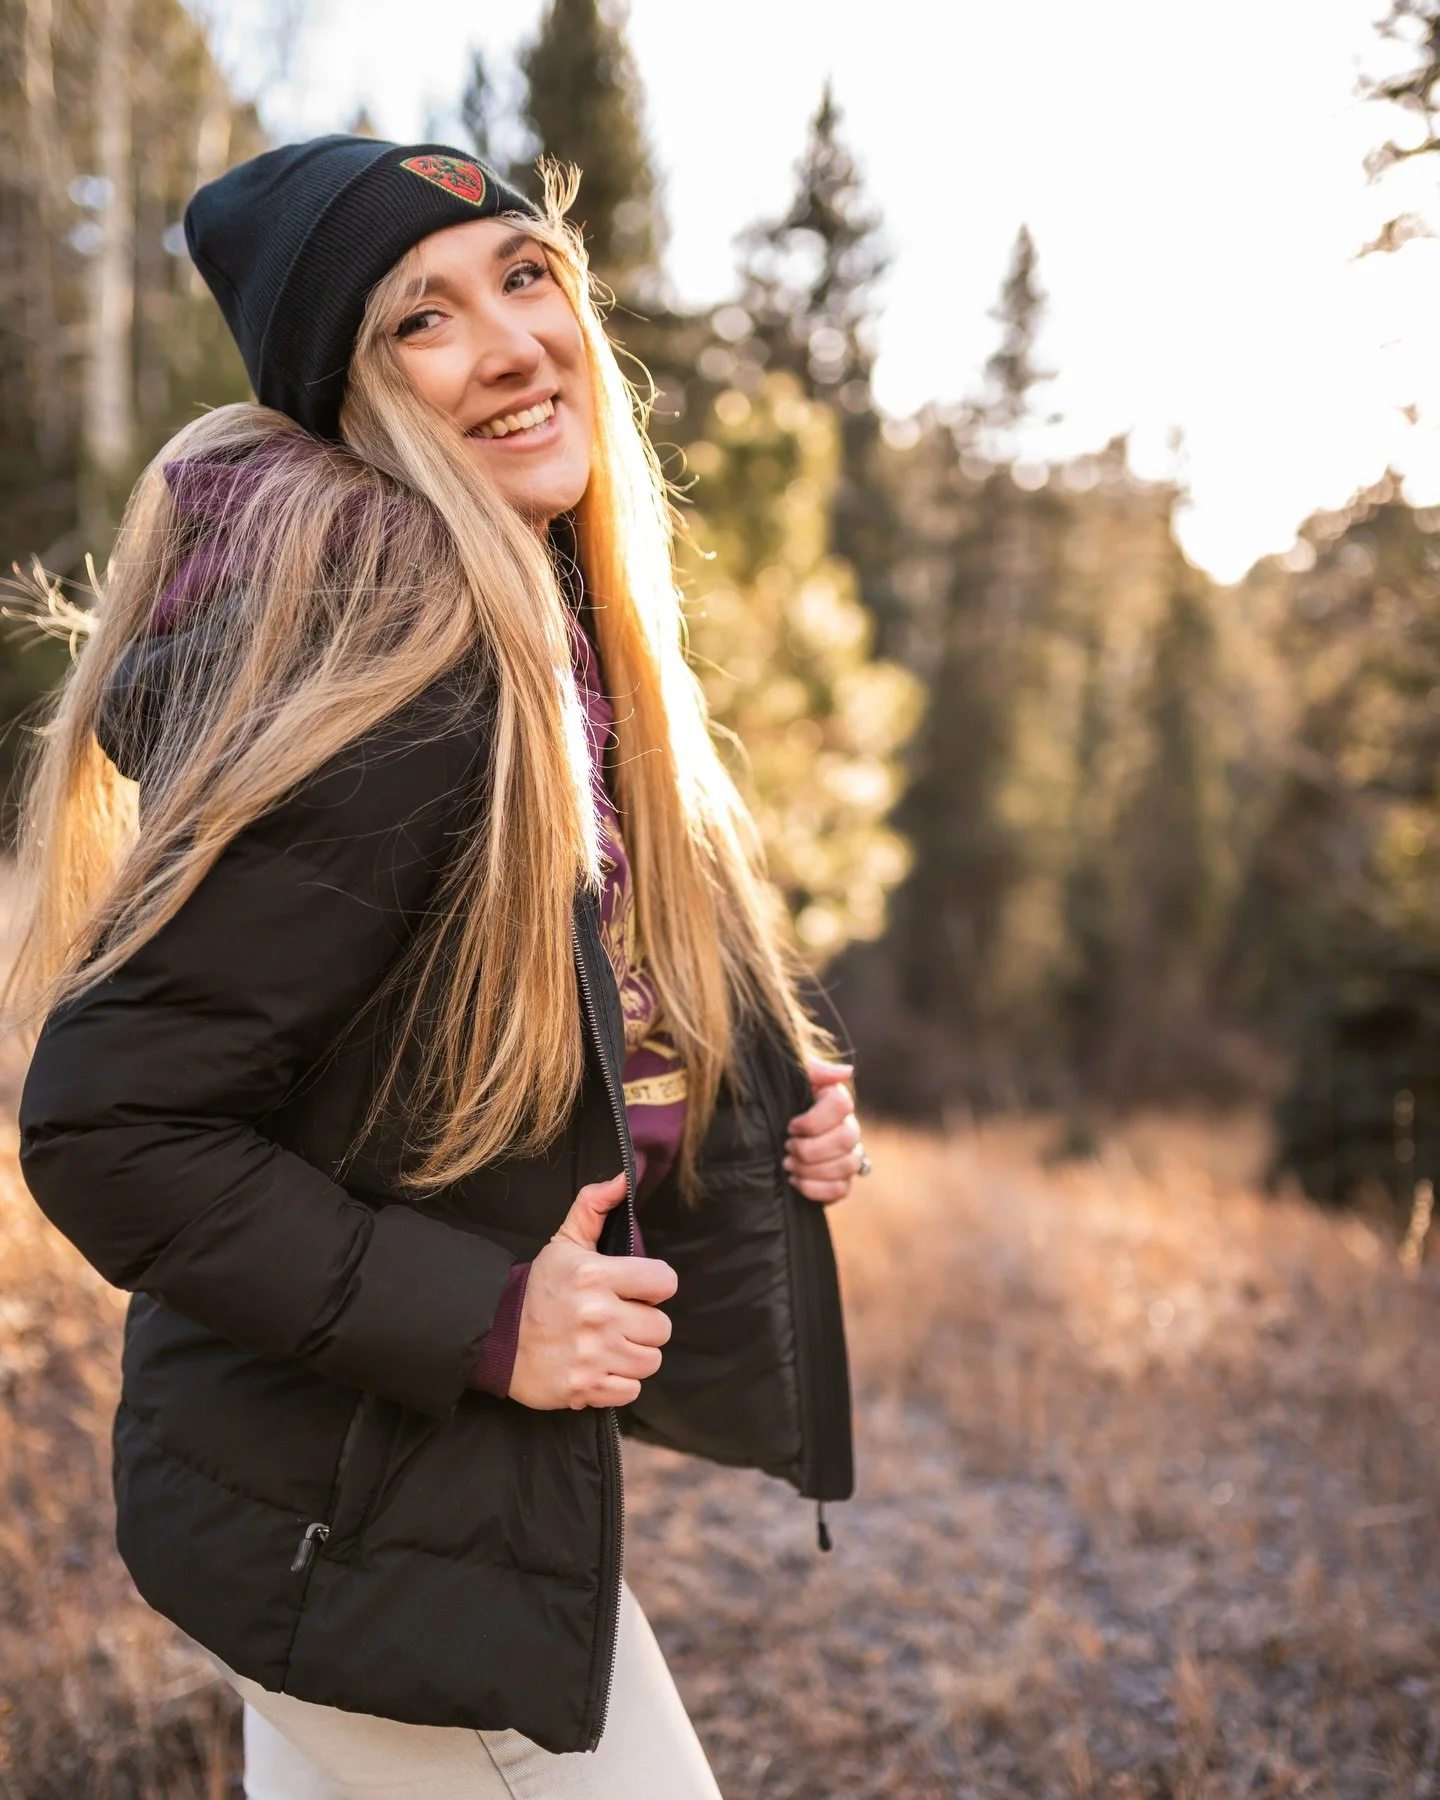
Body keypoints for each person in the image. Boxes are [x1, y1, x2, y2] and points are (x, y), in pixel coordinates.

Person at [9, 135, 864, 1799]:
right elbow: (111, 1133)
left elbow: (500, 1023)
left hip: (339, 1503)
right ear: (353, 402)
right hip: (368, 1505)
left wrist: (755, 1108)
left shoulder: (556, 661)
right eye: (421, 321)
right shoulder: (415, 698)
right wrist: (492, 1317)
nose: (510, 343)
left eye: (525, 277)